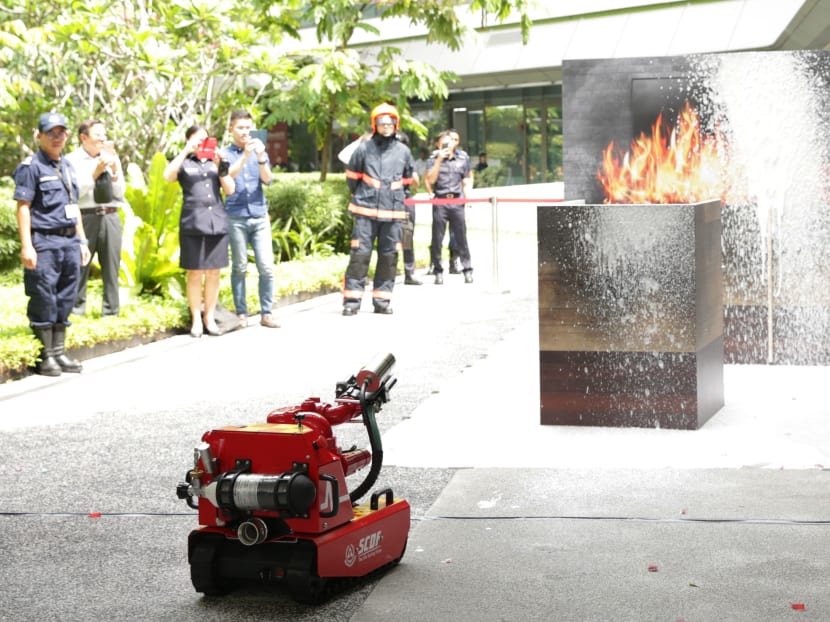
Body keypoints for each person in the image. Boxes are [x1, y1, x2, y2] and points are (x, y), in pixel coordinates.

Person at [13, 112, 91, 376]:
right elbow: (23, 208)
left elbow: (74, 206)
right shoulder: (31, 166)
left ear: (67, 136)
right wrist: (27, 246)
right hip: (44, 240)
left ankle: (59, 352)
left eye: (60, 133)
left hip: (69, 240)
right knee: (43, 296)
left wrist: (81, 239)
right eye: (51, 133)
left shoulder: (67, 166)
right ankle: (45, 355)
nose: (56, 138)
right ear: (39, 136)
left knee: (66, 296)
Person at [341, 103, 414, 315]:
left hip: (392, 214)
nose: (386, 126)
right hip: (365, 211)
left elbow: (408, 180)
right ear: (375, 125)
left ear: (396, 125)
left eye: (390, 123)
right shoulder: (364, 148)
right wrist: (365, 195)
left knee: (389, 257)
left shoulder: (404, 152)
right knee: (360, 255)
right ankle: (351, 302)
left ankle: (382, 302)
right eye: (382, 123)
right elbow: (352, 177)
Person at [164, 124, 235, 338]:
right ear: (188, 140)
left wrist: (220, 165)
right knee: (194, 272)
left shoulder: (217, 163)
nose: (202, 144)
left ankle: (210, 317)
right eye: (198, 140)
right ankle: (196, 319)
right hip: (193, 222)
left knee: (214, 272)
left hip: (217, 222)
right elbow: (168, 176)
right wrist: (186, 150)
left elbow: (230, 189)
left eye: (206, 140)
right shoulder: (184, 162)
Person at [220, 110, 279, 329]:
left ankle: (267, 313)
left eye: (248, 127)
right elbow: (228, 179)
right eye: (240, 128)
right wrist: (245, 155)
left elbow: (267, 179)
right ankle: (241, 313)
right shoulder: (225, 155)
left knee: (266, 267)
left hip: (259, 215)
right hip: (236, 216)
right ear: (231, 130)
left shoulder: (259, 152)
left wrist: (261, 156)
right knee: (240, 267)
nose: (245, 132)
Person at [65, 119, 126, 317]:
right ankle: (76, 310)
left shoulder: (112, 158)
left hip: (110, 216)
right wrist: (96, 172)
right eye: (97, 134)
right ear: (84, 138)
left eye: (104, 134)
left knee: (111, 266)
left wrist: (115, 172)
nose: (103, 138)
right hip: (85, 217)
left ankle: (111, 311)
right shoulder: (71, 161)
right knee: (80, 264)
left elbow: (120, 191)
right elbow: (73, 194)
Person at [425, 128, 474, 284]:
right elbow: (431, 180)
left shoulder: (462, 159)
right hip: (440, 201)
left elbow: (466, 180)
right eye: (444, 142)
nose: (448, 144)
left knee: (461, 237)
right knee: (437, 238)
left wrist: (469, 200)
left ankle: (467, 269)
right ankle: (438, 271)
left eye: (451, 141)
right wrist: (439, 160)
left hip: (457, 201)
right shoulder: (433, 160)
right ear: (438, 144)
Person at [396, 131, 422, 285]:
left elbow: (416, 182)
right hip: (387, 202)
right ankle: (387, 273)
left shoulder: (407, 158)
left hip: (404, 200)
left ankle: (409, 273)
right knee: (386, 239)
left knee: (407, 237)